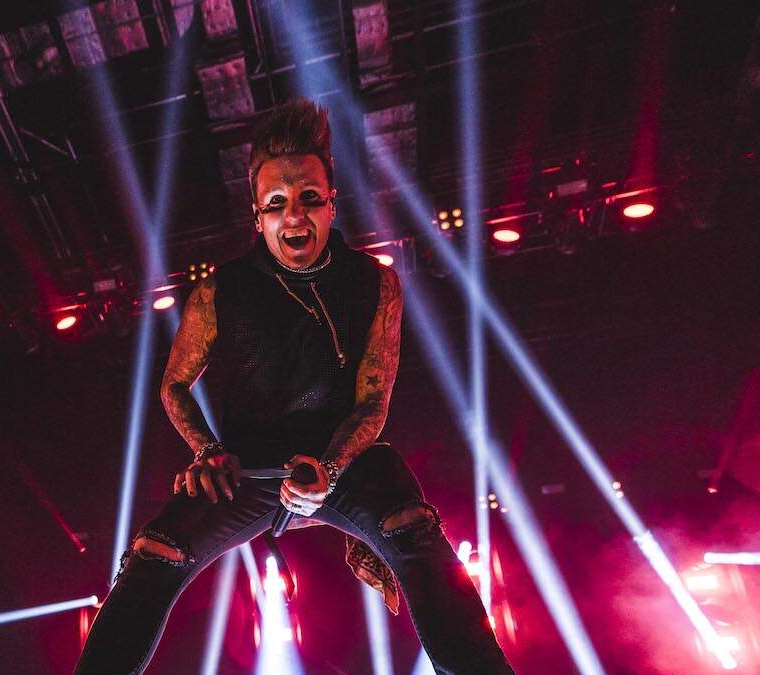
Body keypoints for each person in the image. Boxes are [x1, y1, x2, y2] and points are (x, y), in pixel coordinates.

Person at [75, 98, 514, 675]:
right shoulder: (219, 291)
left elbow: (372, 402)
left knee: (417, 535)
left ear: (332, 204)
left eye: (309, 198)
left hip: (344, 459)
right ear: (257, 217)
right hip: (246, 467)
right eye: (277, 204)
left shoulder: (375, 284)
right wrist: (209, 452)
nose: (295, 217)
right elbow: (174, 385)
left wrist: (328, 468)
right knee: (154, 554)